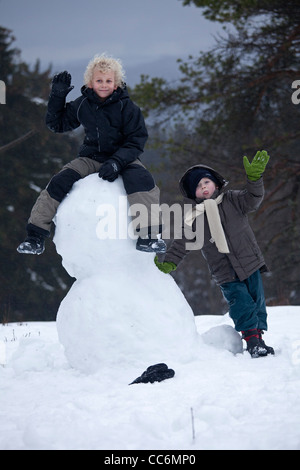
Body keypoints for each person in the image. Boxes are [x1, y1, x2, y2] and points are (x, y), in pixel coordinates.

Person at [17, 54, 166, 255]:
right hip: (91, 158)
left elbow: (136, 140)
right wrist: (57, 96)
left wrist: (116, 162)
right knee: (60, 181)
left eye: (108, 81)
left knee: (142, 179)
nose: (103, 85)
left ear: (116, 83)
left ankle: (148, 237)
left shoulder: (128, 108)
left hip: (124, 158)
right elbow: (57, 124)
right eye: (99, 80)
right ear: (90, 82)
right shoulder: (83, 104)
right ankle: (34, 238)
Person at [154, 150, 275, 358]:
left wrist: (254, 180)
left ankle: (259, 338)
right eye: (198, 187)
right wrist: (170, 263)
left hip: (249, 262)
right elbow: (182, 243)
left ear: (216, 184)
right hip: (225, 272)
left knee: (257, 302)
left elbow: (253, 199)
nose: (203, 188)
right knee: (242, 303)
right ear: (194, 195)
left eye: (205, 183)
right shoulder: (194, 218)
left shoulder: (233, 199)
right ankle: (252, 341)